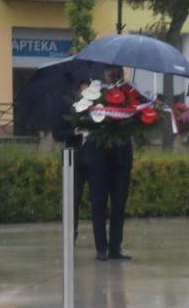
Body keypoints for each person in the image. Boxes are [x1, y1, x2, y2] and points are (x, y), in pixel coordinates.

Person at [84, 65, 134, 261]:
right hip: (98, 157)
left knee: (119, 204)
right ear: (103, 73)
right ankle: (101, 248)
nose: (112, 75)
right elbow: (84, 117)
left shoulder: (129, 94)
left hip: (121, 158)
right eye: (109, 72)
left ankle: (115, 246)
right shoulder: (94, 92)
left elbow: (136, 119)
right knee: (98, 204)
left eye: (116, 72)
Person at [53, 79, 90, 241]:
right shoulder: (67, 108)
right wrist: (73, 133)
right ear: (77, 92)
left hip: (94, 158)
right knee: (73, 199)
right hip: (74, 159)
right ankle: (70, 235)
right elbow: (57, 134)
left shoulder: (97, 109)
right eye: (83, 91)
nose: (86, 94)